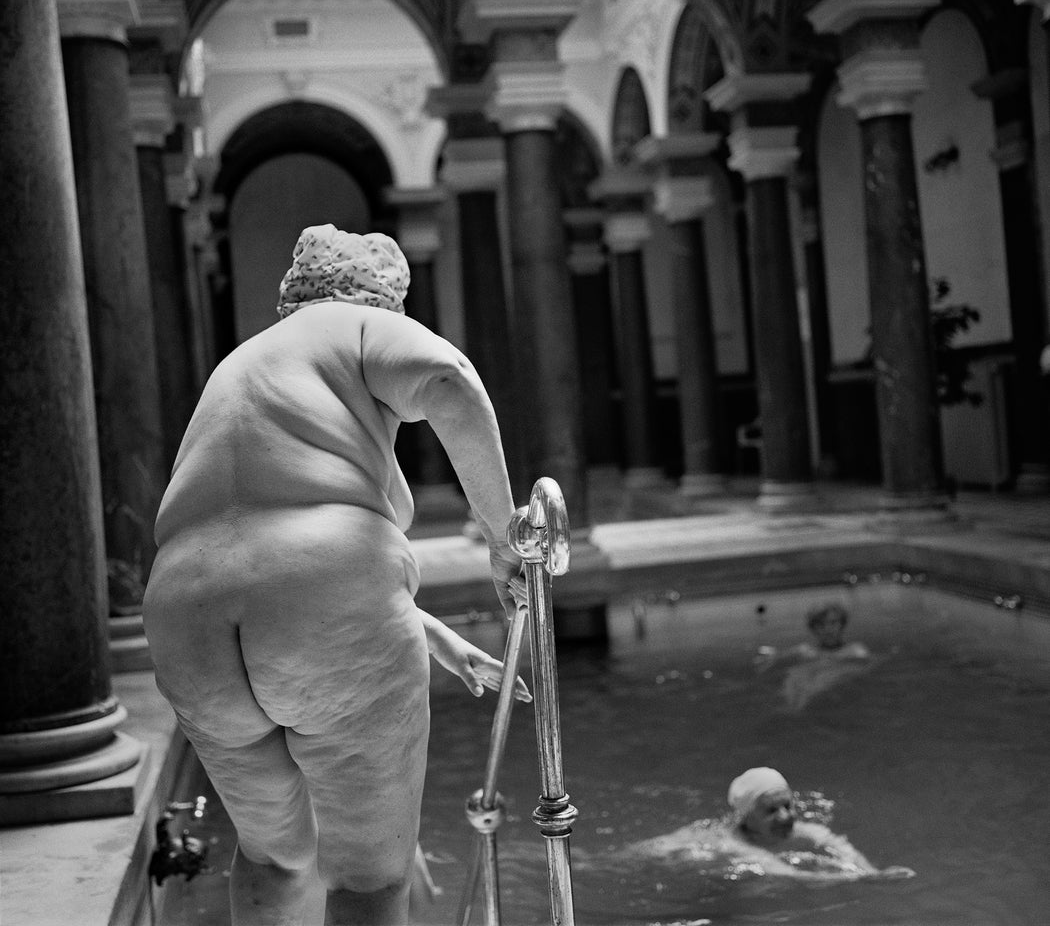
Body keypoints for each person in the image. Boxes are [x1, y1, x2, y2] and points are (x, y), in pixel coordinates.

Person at [143, 224, 528, 926]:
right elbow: (449, 382)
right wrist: (505, 539)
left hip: (183, 611)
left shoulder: (244, 363)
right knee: (367, 876)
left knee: (273, 857)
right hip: (319, 605)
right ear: (388, 302)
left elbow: (260, 540)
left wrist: (426, 631)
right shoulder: (360, 328)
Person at [622, 767, 912, 882]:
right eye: (771, 811)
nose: (786, 816)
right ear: (746, 817)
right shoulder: (735, 844)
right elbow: (788, 873)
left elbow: (837, 845)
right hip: (666, 858)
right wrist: (863, 880)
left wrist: (873, 869)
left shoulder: (801, 829)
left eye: (788, 805)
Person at [754, 602, 872, 710]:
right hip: (808, 680)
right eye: (821, 625)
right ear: (813, 628)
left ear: (842, 624)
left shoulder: (855, 650)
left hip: (831, 680)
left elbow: (866, 667)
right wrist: (769, 659)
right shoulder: (805, 650)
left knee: (828, 673)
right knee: (796, 674)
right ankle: (791, 707)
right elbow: (777, 657)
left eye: (833, 622)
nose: (828, 629)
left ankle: (796, 706)